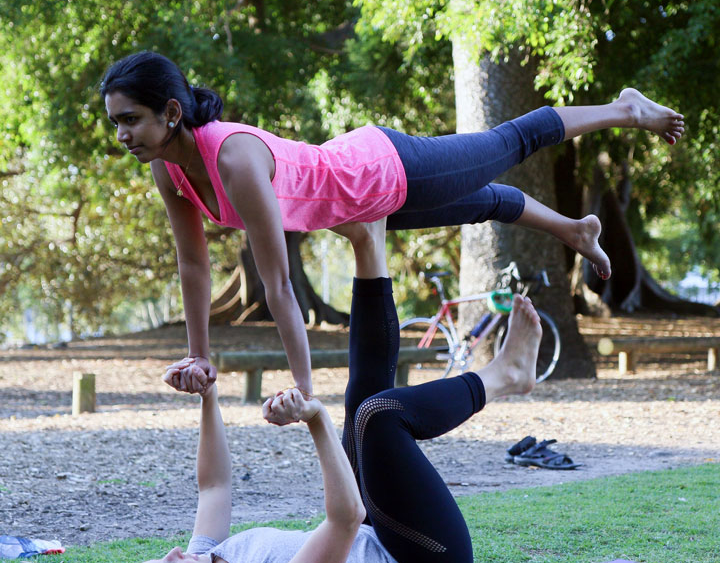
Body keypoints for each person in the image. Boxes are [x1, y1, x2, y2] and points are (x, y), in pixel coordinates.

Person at [101, 51, 685, 397]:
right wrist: (199, 354)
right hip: (362, 203)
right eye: (116, 123)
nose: (123, 135)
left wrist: (305, 391)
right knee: (483, 202)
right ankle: (573, 231)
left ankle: (625, 109)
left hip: (383, 168)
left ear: (171, 112)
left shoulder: (232, 157)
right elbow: (194, 264)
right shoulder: (169, 171)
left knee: (511, 140)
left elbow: (279, 286)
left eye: (131, 120)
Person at [100, 217, 545, 563]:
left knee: (362, 401)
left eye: (165, 556)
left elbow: (214, 486)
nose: (176, 551)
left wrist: (208, 395)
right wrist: (315, 419)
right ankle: (505, 376)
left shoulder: (208, 561)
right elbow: (347, 517)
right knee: (377, 418)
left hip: (381, 535)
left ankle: (369, 242)